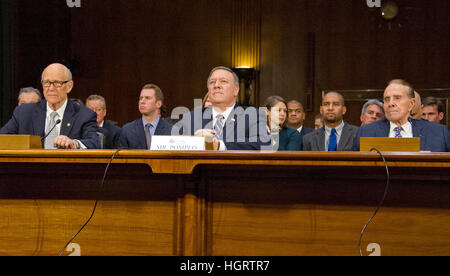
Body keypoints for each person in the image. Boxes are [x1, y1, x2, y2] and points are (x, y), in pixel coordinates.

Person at [0, 63, 99, 149]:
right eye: (47, 83)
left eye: (57, 83)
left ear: (69, 86)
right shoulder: (24, 112)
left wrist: (74, 143)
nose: (51, 88)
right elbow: (2, 139)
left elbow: (94, 143)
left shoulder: (84, 115)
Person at [174, 66, 270, 150]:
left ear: (235, 90)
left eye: (223, 81)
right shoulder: (194, 116)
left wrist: (220, 145)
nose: (216, 85)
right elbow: (173, 142)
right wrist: (194, 139)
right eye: (212, 82)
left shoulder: (252, 115)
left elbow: (264, 143)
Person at [354, 79, 450, 152]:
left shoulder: (438, 132)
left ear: (411, 104)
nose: (391, 103)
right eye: (387, 99)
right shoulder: (366, 132)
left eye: (397, 98)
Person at [119, 84, 173, 149]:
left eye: (147, 98)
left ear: (158, 104)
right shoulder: (127, 130)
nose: (142, 101)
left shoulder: (172, 131)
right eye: (141, 98)